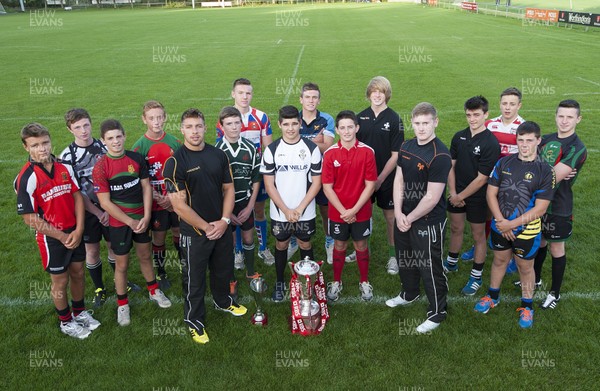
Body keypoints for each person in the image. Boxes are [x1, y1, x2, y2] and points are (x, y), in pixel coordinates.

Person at [164, 108, 247, 345]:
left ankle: (223, 302)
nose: (194, 132)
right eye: (189, 127)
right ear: (182, 130)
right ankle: (194, 320)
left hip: (221, 226)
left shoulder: (218, 155)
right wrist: (207, 227)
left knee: (223, 269)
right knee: (194, 279)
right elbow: (178, 206)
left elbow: (229, 189)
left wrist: (224, 221)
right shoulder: (174, 162)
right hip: (195, 233)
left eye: (198, 126)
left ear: (206, 128)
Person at [15, 123, 100, 339]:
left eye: (45, 143)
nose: (42, 149)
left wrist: (79, 229)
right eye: (35, 145)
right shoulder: (26, 178)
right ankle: (65, 321)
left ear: (50, 141)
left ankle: (79, 312)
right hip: (52, 237)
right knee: (60, 281)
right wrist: (62, 236)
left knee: (79, 273)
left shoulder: (65, 167)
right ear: (26, 147)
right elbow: (29, 218)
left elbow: (77, 197)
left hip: (74, 231)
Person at [474, 121, 555, 329]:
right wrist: (502, 222)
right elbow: (491, 193)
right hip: (500, 226)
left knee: (524, 267)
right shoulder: (504, 163)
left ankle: (527, 306)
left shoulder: (546, 171)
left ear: (538, 141)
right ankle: (493, 296)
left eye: (529, 140)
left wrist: (512, 225)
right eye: (521, 140)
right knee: (500, 260)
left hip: (526, 232)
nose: (524, 145)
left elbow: (540, 209)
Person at [93, 119, 172, 327]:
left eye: (119, 136)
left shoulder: (136, 158)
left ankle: (154, 291)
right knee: (122, 264)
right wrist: (129, 221)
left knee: (145, 255)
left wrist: (146, 216)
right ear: (103, 141)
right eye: (110, 138)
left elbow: (147, 188)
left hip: (141, 220)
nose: (116, 141)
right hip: (120, 223)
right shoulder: (101, 167)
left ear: (125, 136)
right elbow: (104, 202)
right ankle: (122, 304)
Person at [385, 103, 452, 334]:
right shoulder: (406, 145)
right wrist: (398, 212)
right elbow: (399, 179)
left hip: (427, 221)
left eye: (426, 123)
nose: (421, 128)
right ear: (412, 122)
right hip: (404, 215)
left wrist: (409, 217)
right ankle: (409, 293)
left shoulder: (440, 154)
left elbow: (432, 197)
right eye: (417, 123)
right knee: (405, 259)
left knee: (430, 266)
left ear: (435, 122)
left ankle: (437, 312)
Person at [260, 105, 322, 302]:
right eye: (286, 124)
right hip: (280, 212)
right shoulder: (271, 150)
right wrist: (286, 210)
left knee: (305, 242)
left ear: (300, 124)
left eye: (294, 123)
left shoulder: (311, 149)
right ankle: (280, 283)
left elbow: (317, 182)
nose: (290, 128)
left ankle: (307, 284)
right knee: (281, 243)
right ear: (279, 125)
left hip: (305, 210)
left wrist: (300, 209)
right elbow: (269, 185)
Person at [461, 87, 525, 275]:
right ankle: (479, 246)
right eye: (504, 103)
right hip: (490, 179)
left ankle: (513, 256)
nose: (507, 107)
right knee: (487, 214)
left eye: (512, 104)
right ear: (499, 104)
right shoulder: (489, 124)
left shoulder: (523, 127)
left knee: (510, 217)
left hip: (513, 182)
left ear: (519, 105)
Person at [59, 108, 118, 308]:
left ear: (91, 124)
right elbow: (74, 191)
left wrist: (109, 208)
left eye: (86, 125)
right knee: (92, 251)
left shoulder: (105, 145)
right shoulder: (67, 156)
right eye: (77, 127)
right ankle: (99, 287)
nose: (83, 130)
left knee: (113, 246)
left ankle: (121, 283)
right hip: (88, 212)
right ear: (70, 130)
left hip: (111, 208)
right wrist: (98, 212)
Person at [532, 100, 587, 309]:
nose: (564, 121)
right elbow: (527, 160)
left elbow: (551, 178)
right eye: (561, 116)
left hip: (559, 207)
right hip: (538, 204)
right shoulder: (545, 139)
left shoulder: (577, 147)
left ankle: (554, 293)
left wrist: (539, 171)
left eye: (570, 117)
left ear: (578, 119)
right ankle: (535, 279)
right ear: (555, 116)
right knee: (540, 242)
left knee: (556, 247)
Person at [444, 96, 500, 296]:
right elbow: (450, 165)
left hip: (477, 197)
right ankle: (451, 263)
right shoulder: (459, 136)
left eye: (477, 115)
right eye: (468, 115)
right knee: (456, 227)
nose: (472, 119)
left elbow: (482, 179)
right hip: (455, 192)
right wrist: (453, 192)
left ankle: (476, 276)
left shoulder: (491, 143)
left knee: (478, 236)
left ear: (486, 114)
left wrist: (461, 196)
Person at [216, 78, 274, 266]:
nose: (244, 96)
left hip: (254, 172)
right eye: (240, 92)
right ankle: (238, 251)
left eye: (248, 93)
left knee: (257, 210)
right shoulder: (224, 119)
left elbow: (268, 149)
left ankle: (263, 248)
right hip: (233, 178)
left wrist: (262, 172)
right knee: (233, 211)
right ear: (233, 94)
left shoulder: (261, 117)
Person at [322, 110, 377, 301]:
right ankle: (336, 281)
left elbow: (370, 185)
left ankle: (364, 281)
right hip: (338, 212)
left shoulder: (367, 152)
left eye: (350, 127)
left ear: (357, 128)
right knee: (339, 244)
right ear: (337, 130)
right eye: (342, 128)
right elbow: (327, 188)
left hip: (361, 210)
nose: (346, 131)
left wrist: (353, 210)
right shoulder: (329, 154)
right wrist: (344, 211)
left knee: (361, 244)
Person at [355, 76, 404, 274]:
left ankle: (394, 255)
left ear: (387, 94)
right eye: (374, 91)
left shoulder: (394, 119)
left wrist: (380, 178)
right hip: (363, 178)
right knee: (361, 214)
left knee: (390, 217)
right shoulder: (359, 117)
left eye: (381, 91)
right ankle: (360, 249)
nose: (377, 94)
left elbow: (396, 154)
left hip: (386, 178)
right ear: (369, 94)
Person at [132, 100, 182, 291]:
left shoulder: (175, 143)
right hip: (155, 202)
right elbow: (139, 180)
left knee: (179, 232)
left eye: (160, 117)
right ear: (144, 119)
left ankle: (184, 265)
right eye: (152, 118)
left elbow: (181, 173)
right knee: (159, 237)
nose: (156, 121)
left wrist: (173, 197)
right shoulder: (139, 147)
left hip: (176, 200)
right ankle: (161, 272)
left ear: (165, 117)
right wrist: (157, 197)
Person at [287, 82, 336, 263]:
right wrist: (315, 142)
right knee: (295, 210)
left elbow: (328, 147)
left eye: (314, 97)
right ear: (301, 99)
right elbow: (289, 144)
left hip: (321, 174)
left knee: (325, 210)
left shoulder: (327, 119)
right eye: (307, 97)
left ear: (319, 100)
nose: (311, 100)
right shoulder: (294, 118)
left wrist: (302, 141)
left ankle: (329, 241)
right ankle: (293, 241)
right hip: (297, 175)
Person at [215, 106, 261, 283]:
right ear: (221, 126)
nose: (234, 127)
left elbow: (256, 178)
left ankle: (250, 271)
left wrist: (250, 206)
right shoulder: (217, 150)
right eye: (229, 124)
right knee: (230, 242)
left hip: (244, 202)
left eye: (236, 123)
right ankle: (231, 278)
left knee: (248, 237)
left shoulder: (250, 148)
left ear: (242, 124)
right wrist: (227, 213)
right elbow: (214, 185)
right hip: (225, 205)